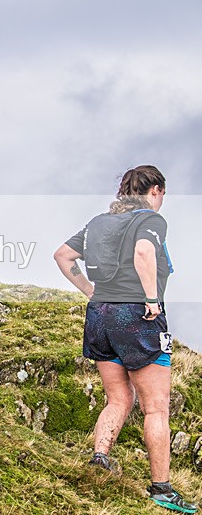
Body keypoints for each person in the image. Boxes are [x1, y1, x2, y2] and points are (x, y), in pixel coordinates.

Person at [54, 165, 197, 513]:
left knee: (118, 398)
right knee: (156, 406)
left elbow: (63, 255)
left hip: (100, 315)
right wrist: (150, 299)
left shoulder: (99, 223)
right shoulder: (150, 219)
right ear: (156, 190)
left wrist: (91, 290)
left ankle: (100, 458)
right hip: (135, 316)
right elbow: (145, 253)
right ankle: (162, 489)